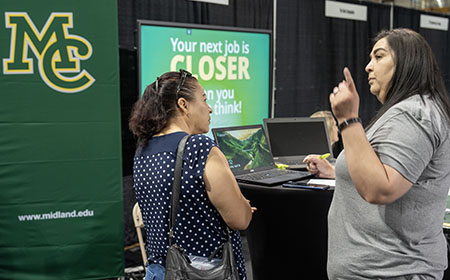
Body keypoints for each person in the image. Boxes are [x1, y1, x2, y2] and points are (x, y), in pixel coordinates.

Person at [304, 28, 450, 279]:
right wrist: (338, 172)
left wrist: (348, 119)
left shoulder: (413, 115)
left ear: (407, 61)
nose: (368, 67)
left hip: (391, 272)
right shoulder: (406, 111)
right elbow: (383, 170)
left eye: (379, 57)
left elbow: (380, 188)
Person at [129, 70, 255, 280]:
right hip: (202, 272)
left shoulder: (143, 150)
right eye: (204, 100)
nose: (210, 108)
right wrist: (242, 204)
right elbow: (240, 219)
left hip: (158, 272)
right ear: (183, 104)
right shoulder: (200, 147)